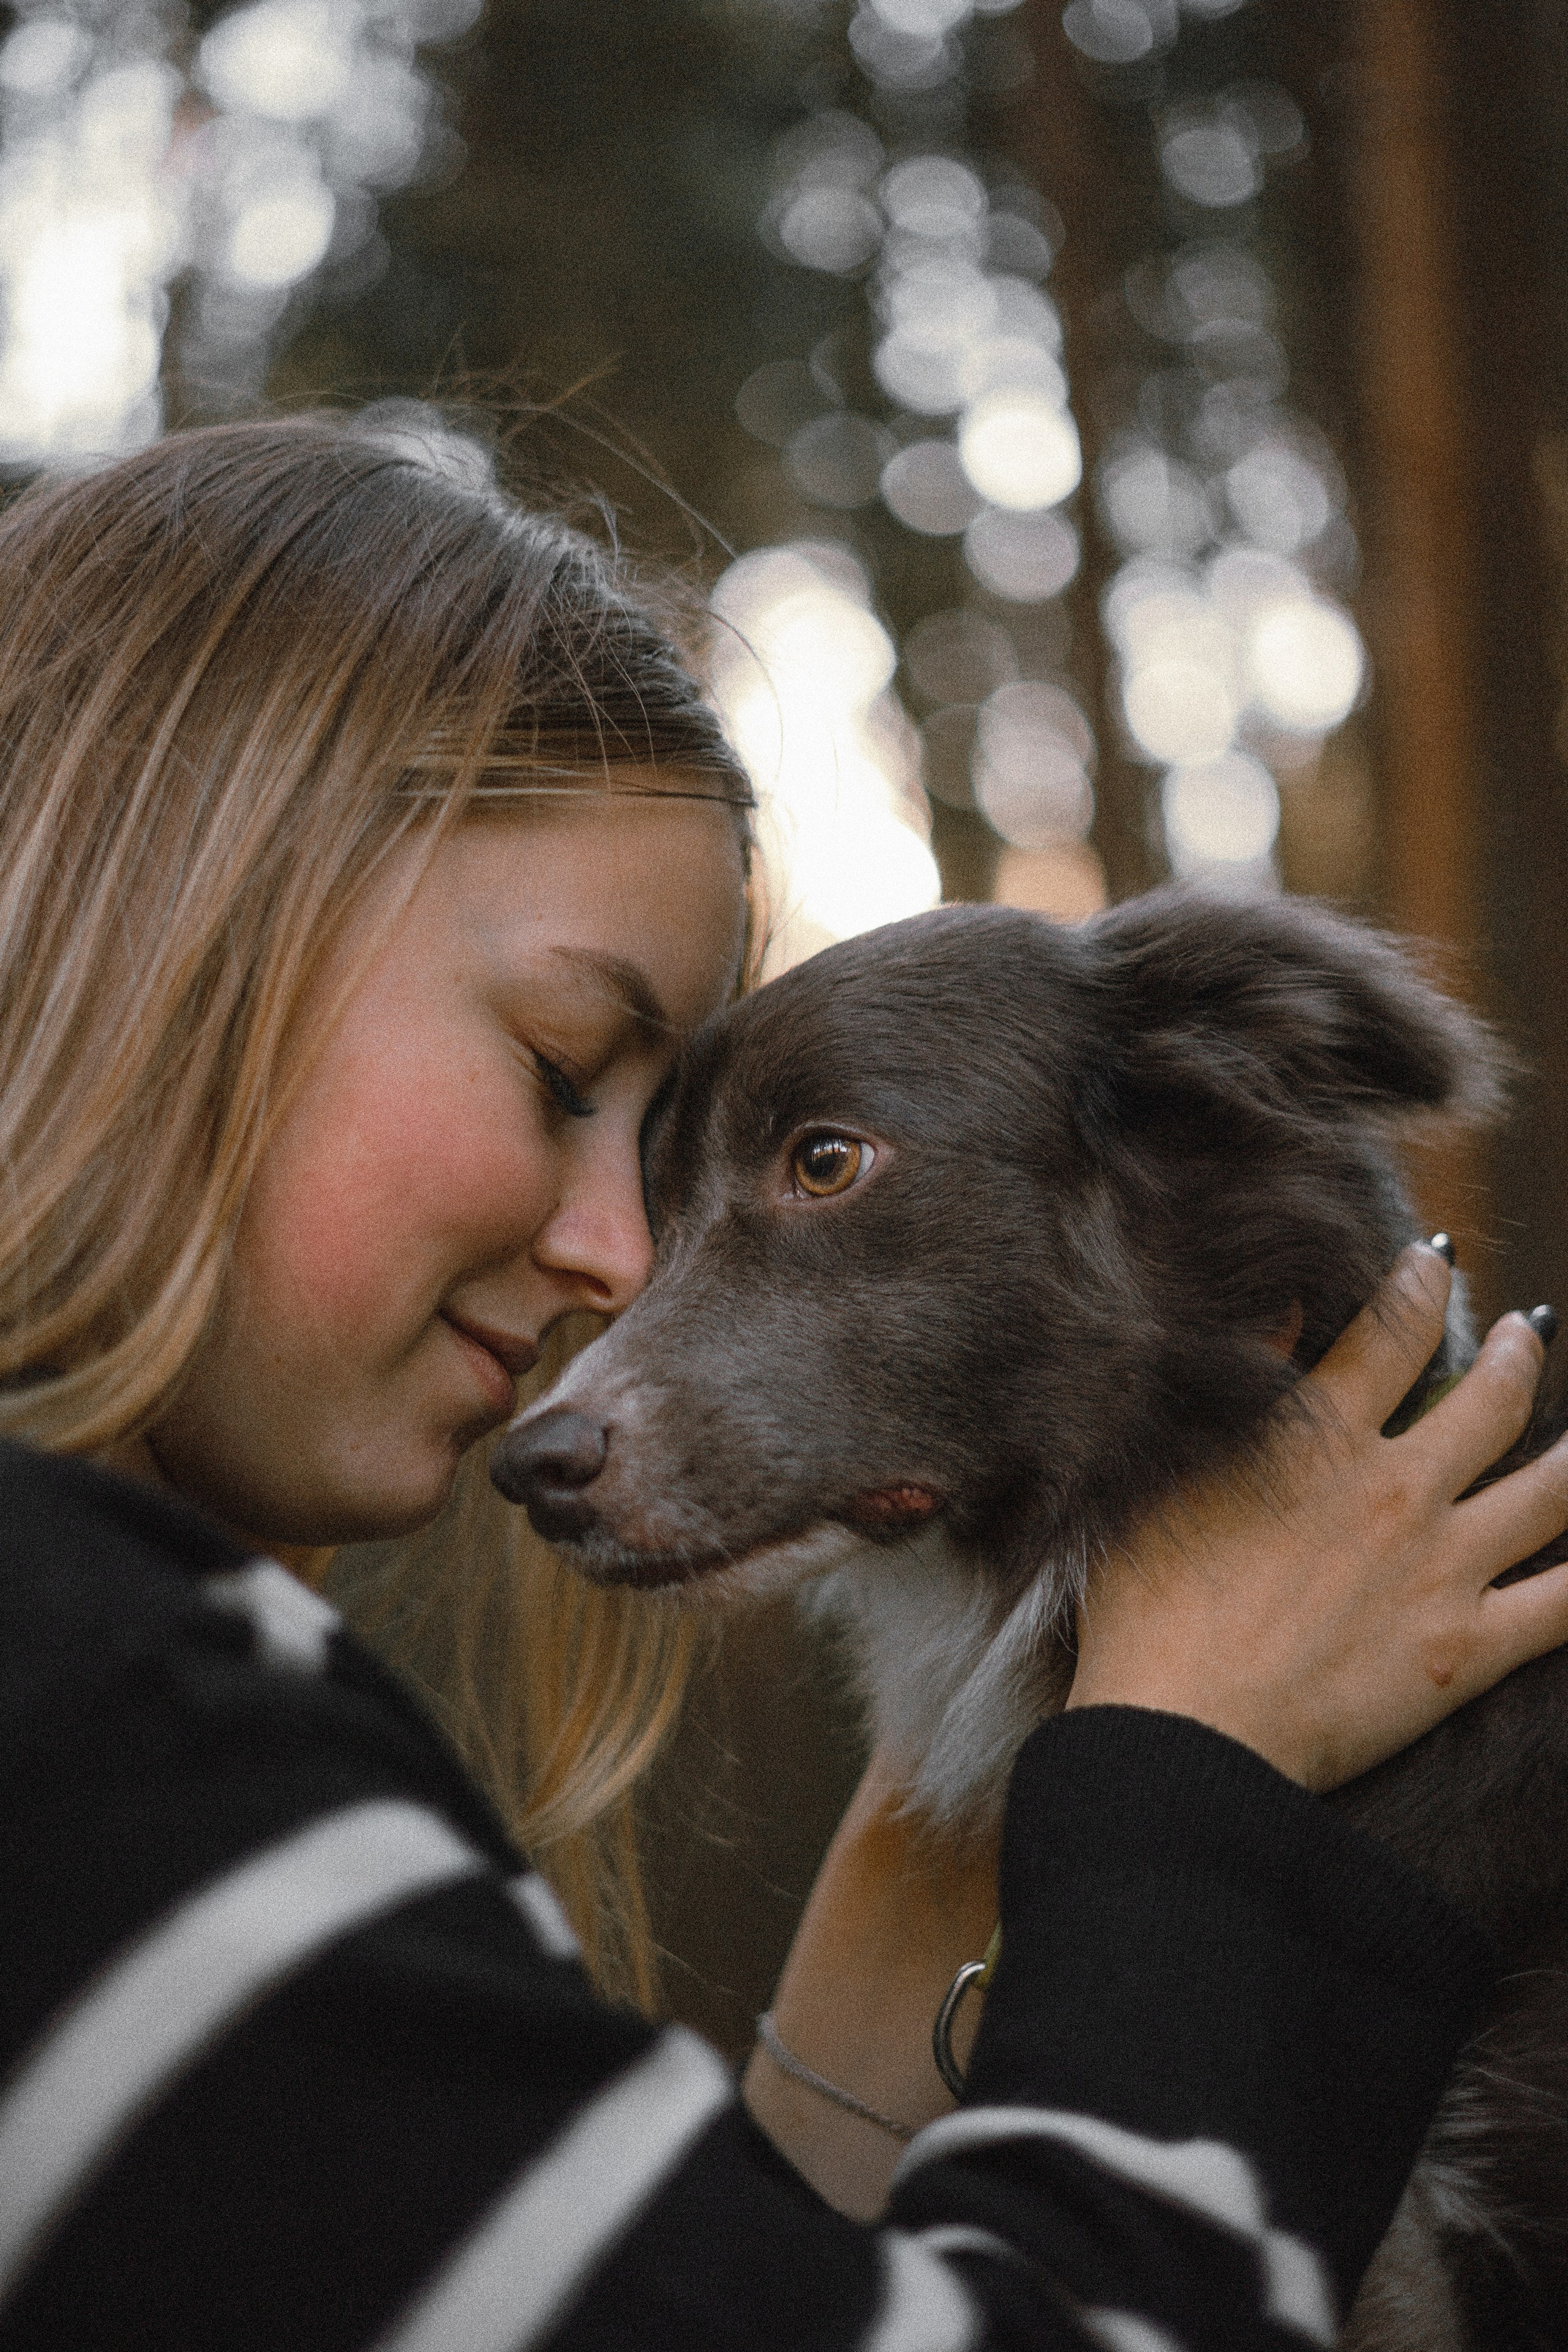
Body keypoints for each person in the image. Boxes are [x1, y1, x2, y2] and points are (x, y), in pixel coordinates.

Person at [1, 412, 1566, 2352]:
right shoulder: (95, 1728)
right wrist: (1183, 1804)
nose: (621, 1268)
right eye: (566, 1069)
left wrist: (886, 1992)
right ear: (177, 930)